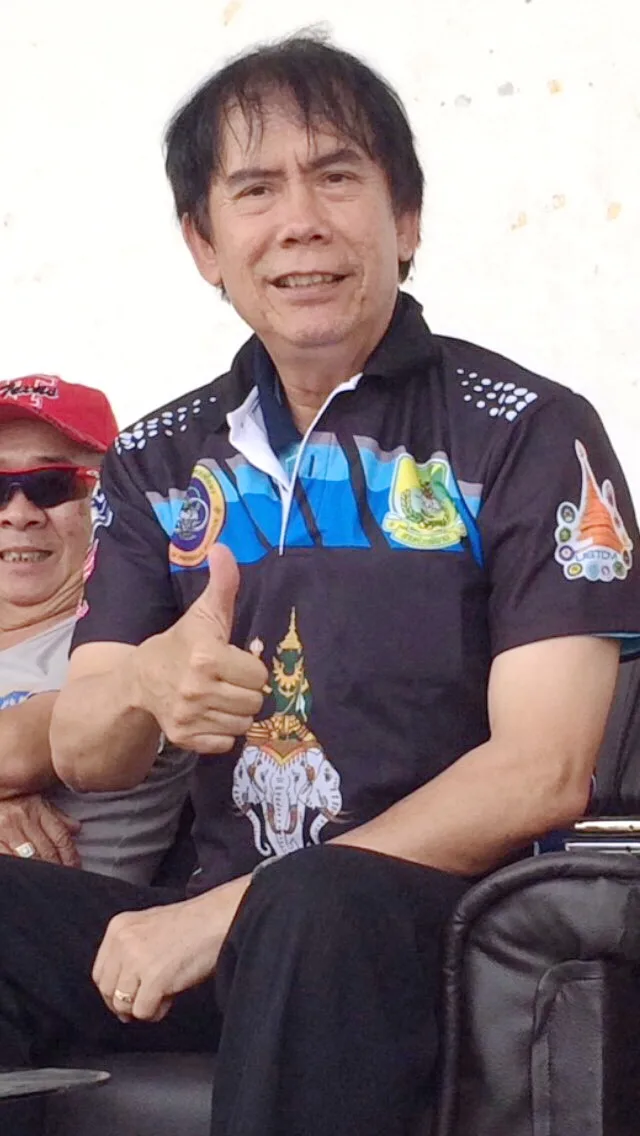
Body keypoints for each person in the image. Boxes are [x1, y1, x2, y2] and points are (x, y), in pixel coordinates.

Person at [1, 34, 639, 1136]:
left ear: (406, 219)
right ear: (204, 243)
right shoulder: (160, 457)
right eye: (255, 190)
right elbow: (92, 748)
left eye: (337, 176)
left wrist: (223, 913)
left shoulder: (528, 431)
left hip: (443, 932)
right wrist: (149, 682)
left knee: (314, 900)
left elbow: (543, 771)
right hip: (222, 925)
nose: (300, 220)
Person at [0, 374, 194, 883]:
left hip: (68, 923)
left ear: (112, 503)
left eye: (53, 484)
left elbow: (14, 753)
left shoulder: (127, 635)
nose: (18, 514)